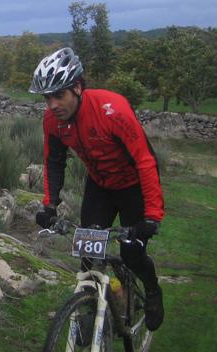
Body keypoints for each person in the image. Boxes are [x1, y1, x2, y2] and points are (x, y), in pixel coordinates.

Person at [30, 47, 164, 331]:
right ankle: (92, 315)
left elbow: (145, 160)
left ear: (77, 88)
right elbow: (53, 161)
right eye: (47, 97)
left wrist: (152, 216)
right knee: (88, 254)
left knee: (131, 254)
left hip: (133, 187)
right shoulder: (53, 120)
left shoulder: (111, 110)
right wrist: (49, 205)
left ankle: (152, 290)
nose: (52, 104)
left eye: (59, 95)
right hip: (100, 185)